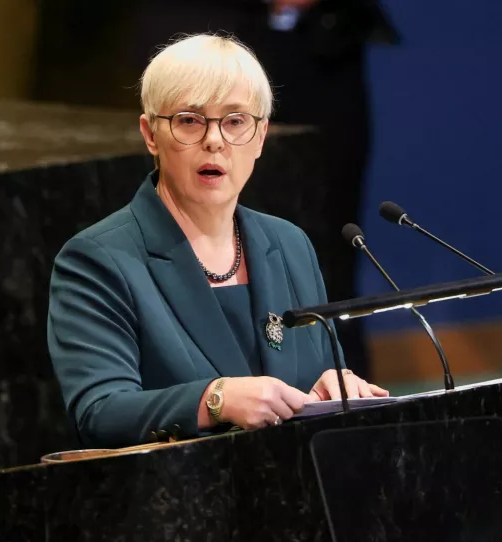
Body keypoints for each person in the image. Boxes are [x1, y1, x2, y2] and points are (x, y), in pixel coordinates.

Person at [47, 34, 387, 449]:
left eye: (235, 121)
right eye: (190, 120)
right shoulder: (98, 259)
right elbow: (100, 412)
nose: (214, 140)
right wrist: (216, 400)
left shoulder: (289, 244)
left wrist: (331, 387)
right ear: (151, 134)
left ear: (261, 136)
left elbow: (304, 387)